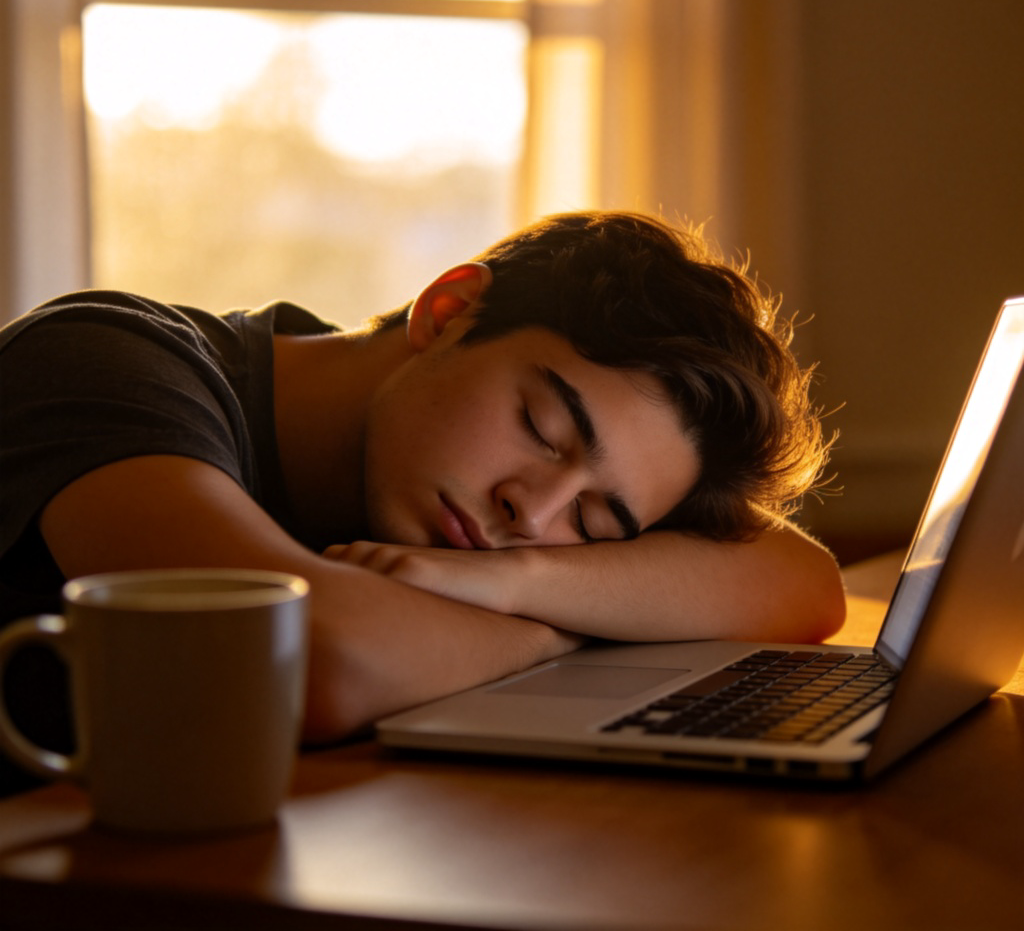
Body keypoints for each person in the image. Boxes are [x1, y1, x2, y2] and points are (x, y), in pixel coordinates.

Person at [0, 209, 844, 795]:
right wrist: (575, 623)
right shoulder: (103, 364)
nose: (533, 515)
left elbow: (803, 582)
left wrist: (515, 585)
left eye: (592, 526)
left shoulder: (483, 528)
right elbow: (308, 665)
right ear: (447, 312)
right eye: (544, 428)